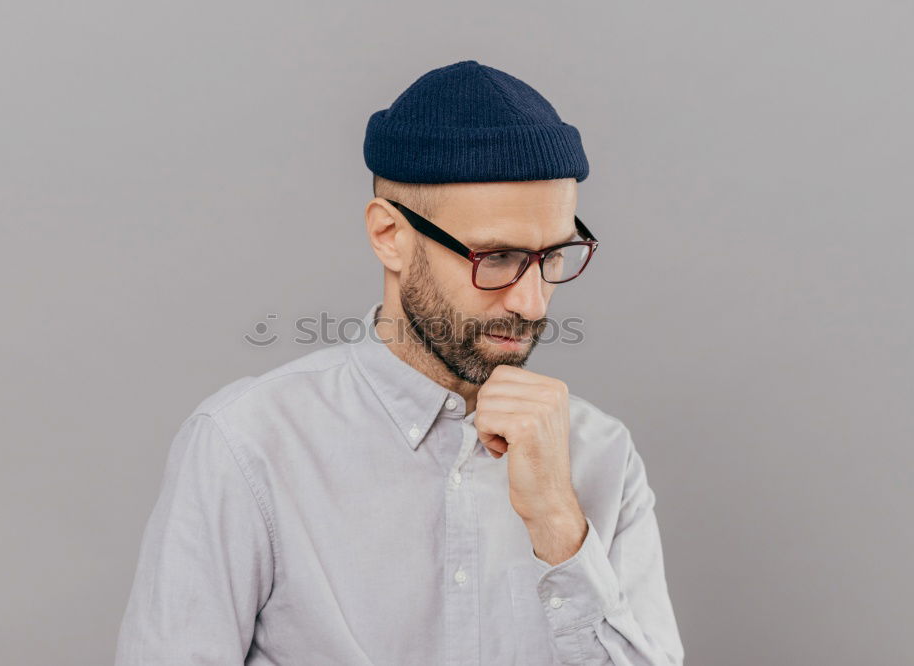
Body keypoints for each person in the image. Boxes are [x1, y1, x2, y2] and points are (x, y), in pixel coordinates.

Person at [114, 59, 684, 665]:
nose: (532, 300)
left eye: (554, 255)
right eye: (495, 257)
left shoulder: (601, 456)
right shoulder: (248, 446)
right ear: (390, 235)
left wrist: (557, 524)